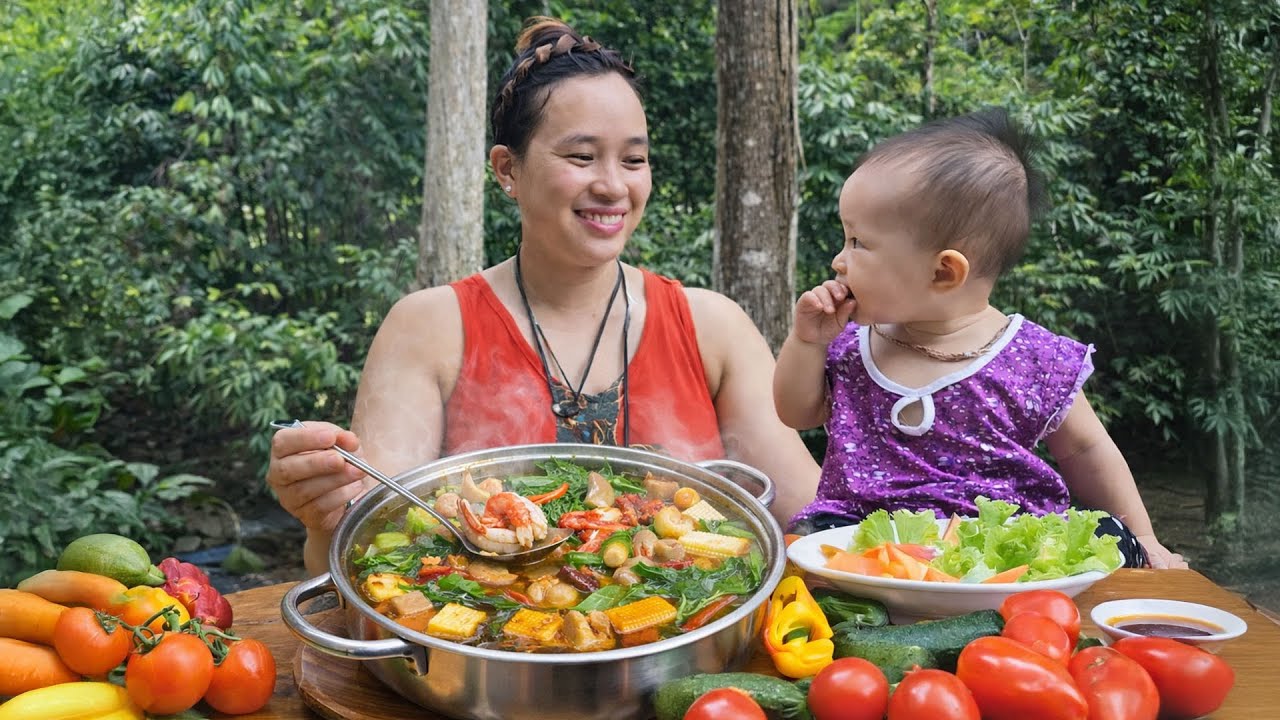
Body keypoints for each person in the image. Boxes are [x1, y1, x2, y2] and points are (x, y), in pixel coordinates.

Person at [267, 17, 820, 576]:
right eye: (581, 157)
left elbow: (817, 523)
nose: (612, 185)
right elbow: (367, 554)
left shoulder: (711, 327)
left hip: (689, 649)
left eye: (633, 160)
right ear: (508, 170)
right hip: (490, 653)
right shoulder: (429, 329)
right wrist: (322, 513)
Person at [772, 108, 1185, 569]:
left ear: (944, 271)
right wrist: (806, 343)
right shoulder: (853, 344)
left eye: (858, 243)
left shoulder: (1033, 359)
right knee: (806, 538)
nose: (838, 261)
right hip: (871, 535)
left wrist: (1146, 538)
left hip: (1000, 544)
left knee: (1114, 539)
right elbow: (797, 413)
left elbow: (1087, 450)